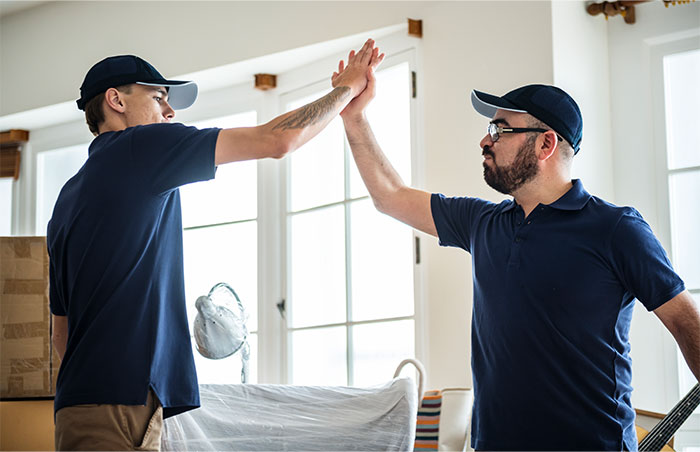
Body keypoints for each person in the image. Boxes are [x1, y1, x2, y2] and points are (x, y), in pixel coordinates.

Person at [333, 59, 700, 450]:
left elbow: (683, 320)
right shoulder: (481, 222)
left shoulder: (616, 229)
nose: (485, 140)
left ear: (546, 143)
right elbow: (390, 196)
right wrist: (354, 117)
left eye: (500, 129)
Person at [48, 40, 384, 451]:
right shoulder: (140, 149)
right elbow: (278, 141)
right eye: (157, 97)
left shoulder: (68, 196)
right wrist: (346, 90)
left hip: (79, 406)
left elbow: (60, 334)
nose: (169, 112)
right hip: (119, 404)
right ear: (116, 100)